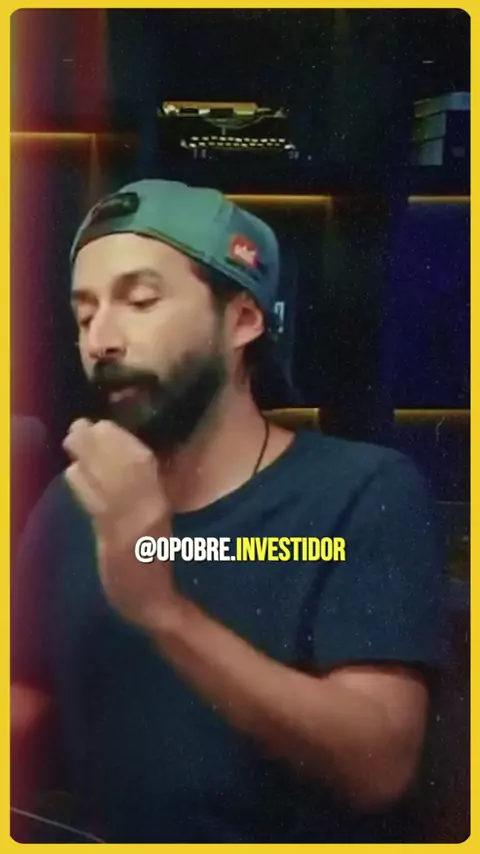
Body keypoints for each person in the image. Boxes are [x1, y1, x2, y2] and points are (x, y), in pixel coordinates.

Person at [11, 179, 446, 843]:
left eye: (140, 300)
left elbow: (379, 766)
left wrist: (160, 609)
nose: (101, 339)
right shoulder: (73, 502)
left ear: (243, 319)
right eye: (85, 312)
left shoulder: (362, 493)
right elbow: (24, 704)